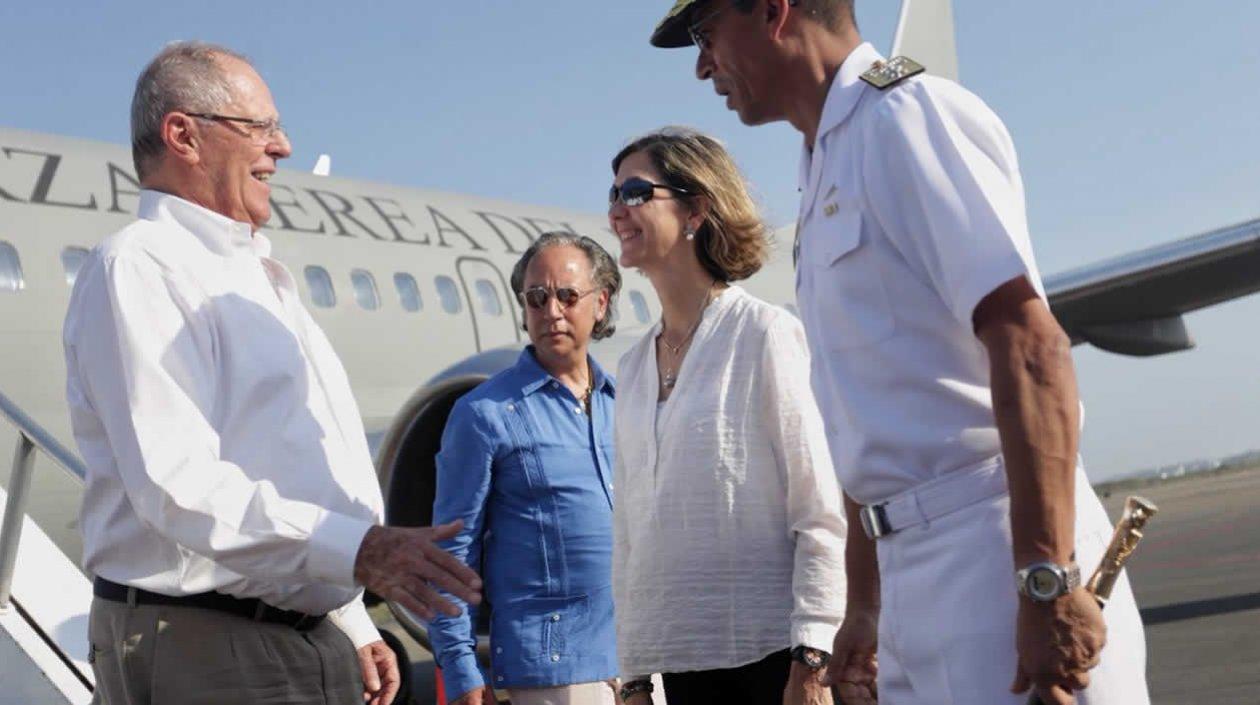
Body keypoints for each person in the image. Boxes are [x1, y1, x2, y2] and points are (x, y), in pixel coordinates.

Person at [648, 3, 1152, 705]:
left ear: (772, 11)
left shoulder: (908, 119)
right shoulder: (823, 162)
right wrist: (864, 604)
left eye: (706, 35)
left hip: (992, 551)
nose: (702, 65)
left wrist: (1045, 579)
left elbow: (1030, 342)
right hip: (906, 576)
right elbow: (864, 421)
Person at [63, 41, 481, 705]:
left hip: (286, 637)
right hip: (209, 647)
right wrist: (359, 552)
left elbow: (286, 465)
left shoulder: (255, 274)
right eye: (259, 127)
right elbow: (179, 486)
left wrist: (343, 614)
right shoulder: (141, 267)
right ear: (184, 135)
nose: (281, 146)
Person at [609, 127, 847, 705]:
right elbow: (631, 535)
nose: (616, 211)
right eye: (613, 195)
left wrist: (812, 659)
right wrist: (635, 673)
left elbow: (819, 507)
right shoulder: (635, 365)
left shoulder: (764, 334)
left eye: (636, 192)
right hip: (683, 667)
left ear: (695, 208)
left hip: (776, 660)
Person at [429, 232, 623, 705]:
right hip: (555, 673)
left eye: (567, 296)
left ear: (601, 304)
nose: (551, 310)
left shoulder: (626, 403)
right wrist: (460, 669)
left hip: (643, 662)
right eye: (536, 297)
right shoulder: (485, 414)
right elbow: (450, 554)